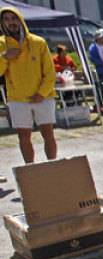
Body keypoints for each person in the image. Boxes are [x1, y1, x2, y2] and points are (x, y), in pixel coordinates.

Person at [0, 6, 58, 164]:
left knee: (48, 133)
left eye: (13, 18)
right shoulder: (1, 44)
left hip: (43, 97)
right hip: (18, 98)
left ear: (20, 19)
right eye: (6, 19)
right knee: (23, 136)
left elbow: (50, 72)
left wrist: (42, 93)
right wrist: (4, 57)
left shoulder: (38, 42)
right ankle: (30, 169)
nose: (11, 22)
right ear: (2, 22)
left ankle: (53, 165)